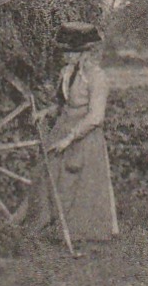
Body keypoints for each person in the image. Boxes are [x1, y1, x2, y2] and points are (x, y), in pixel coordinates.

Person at [32, 22, 118, 241]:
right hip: (63, 127)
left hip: (84, 136)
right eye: (66, 52)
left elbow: (95, 117)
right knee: (50, 171)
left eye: (73, 52)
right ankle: (48, 223)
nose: (67, 57)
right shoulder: (67, 72)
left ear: (85, 53)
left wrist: (70, 139)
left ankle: (80, 231)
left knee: (78, 180)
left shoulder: (97, 78)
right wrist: (46, 112)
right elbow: (64, 104)